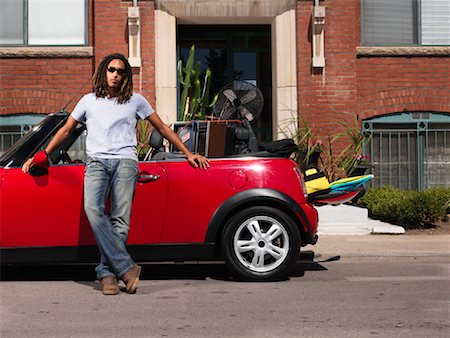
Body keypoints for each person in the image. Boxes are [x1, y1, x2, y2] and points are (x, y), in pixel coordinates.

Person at [22, 53, 210, 295]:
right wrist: (42, 154)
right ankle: (126, 267)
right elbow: (67, 129)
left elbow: (161, 127)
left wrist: (188, 153)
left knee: (120, 220)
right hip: (97, 162)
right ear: (104, 71)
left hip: (125, 162)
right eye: (112, 69)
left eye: (121, 71)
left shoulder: (136, 101)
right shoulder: (88, 101)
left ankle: (107, 275)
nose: (115, 74)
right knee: (93, 209)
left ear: (125, 77)